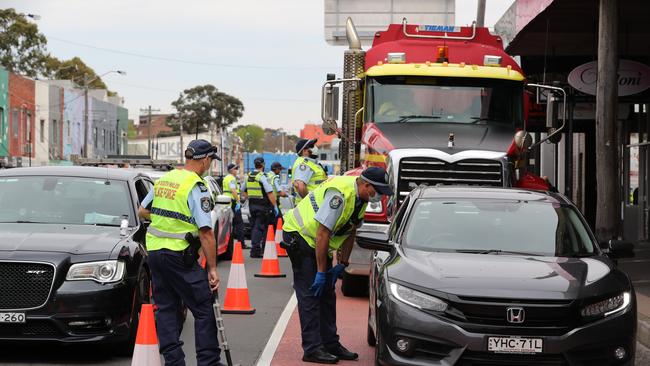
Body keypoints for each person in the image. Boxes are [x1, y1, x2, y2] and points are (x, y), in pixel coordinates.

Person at [282, 167, 393, 364]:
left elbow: (351, 231)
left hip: (316, 241)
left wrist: (343, 263)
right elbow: (322, 233)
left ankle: (331, 344)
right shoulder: (340, 195)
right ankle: (312, 349)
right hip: (301, 237)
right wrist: (321, 272)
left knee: (327, 295)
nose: (379, 197)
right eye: (377, 191)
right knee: (310, 294)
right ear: (366, 185)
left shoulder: (361, 199)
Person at [138, 139, 225, 366]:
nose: (209, 166)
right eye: (210, 161)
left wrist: (165, 219)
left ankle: (174, 362)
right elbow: (206, 232)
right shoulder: (196, 186)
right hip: (179, 255)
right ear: (205, 159)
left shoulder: (166, 179)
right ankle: (209, 362)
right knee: (203, 306)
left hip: (156, 253)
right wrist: (213, 269)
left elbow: (142, 211)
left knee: (167, 308)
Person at [242, 157, 278, 258]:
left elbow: (243, 190)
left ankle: (258, 249)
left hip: (252, 206)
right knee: (260, 228)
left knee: (255, 227)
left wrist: (251, 198)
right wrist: (275, 206)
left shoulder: (249, 176)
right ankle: (256, 250)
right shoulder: (262, 177)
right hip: (263, 207)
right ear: (263, 165)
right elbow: (270, 193)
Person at [291, 138, 327, 205]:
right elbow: (300, 186)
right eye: (312, 146)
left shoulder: (311, 163)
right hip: (307, 207)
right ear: (304, 151)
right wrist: (310, 203)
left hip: (316, 204)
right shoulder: (304, 164)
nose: (315, 148)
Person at [223, 163, 248, 249]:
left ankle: (229, 244)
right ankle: (241, 243)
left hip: (227, 202)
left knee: (230, 224)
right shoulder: (231, 179)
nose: (237, 170)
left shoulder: (226, 178)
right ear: (231, 170)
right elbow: (233, 190)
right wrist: (238, 202)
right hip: (233, 202)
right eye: (235, 169)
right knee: (239, 223)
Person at [268, 161, 289, 227]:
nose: (280, 171)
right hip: (273, 203)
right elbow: (280, 192)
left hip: (266, 203)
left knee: (269, 224)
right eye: (279, 169)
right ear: (276, 169)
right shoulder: (275, 178)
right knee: (280, 223)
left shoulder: (267, 175)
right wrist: (287, 195)